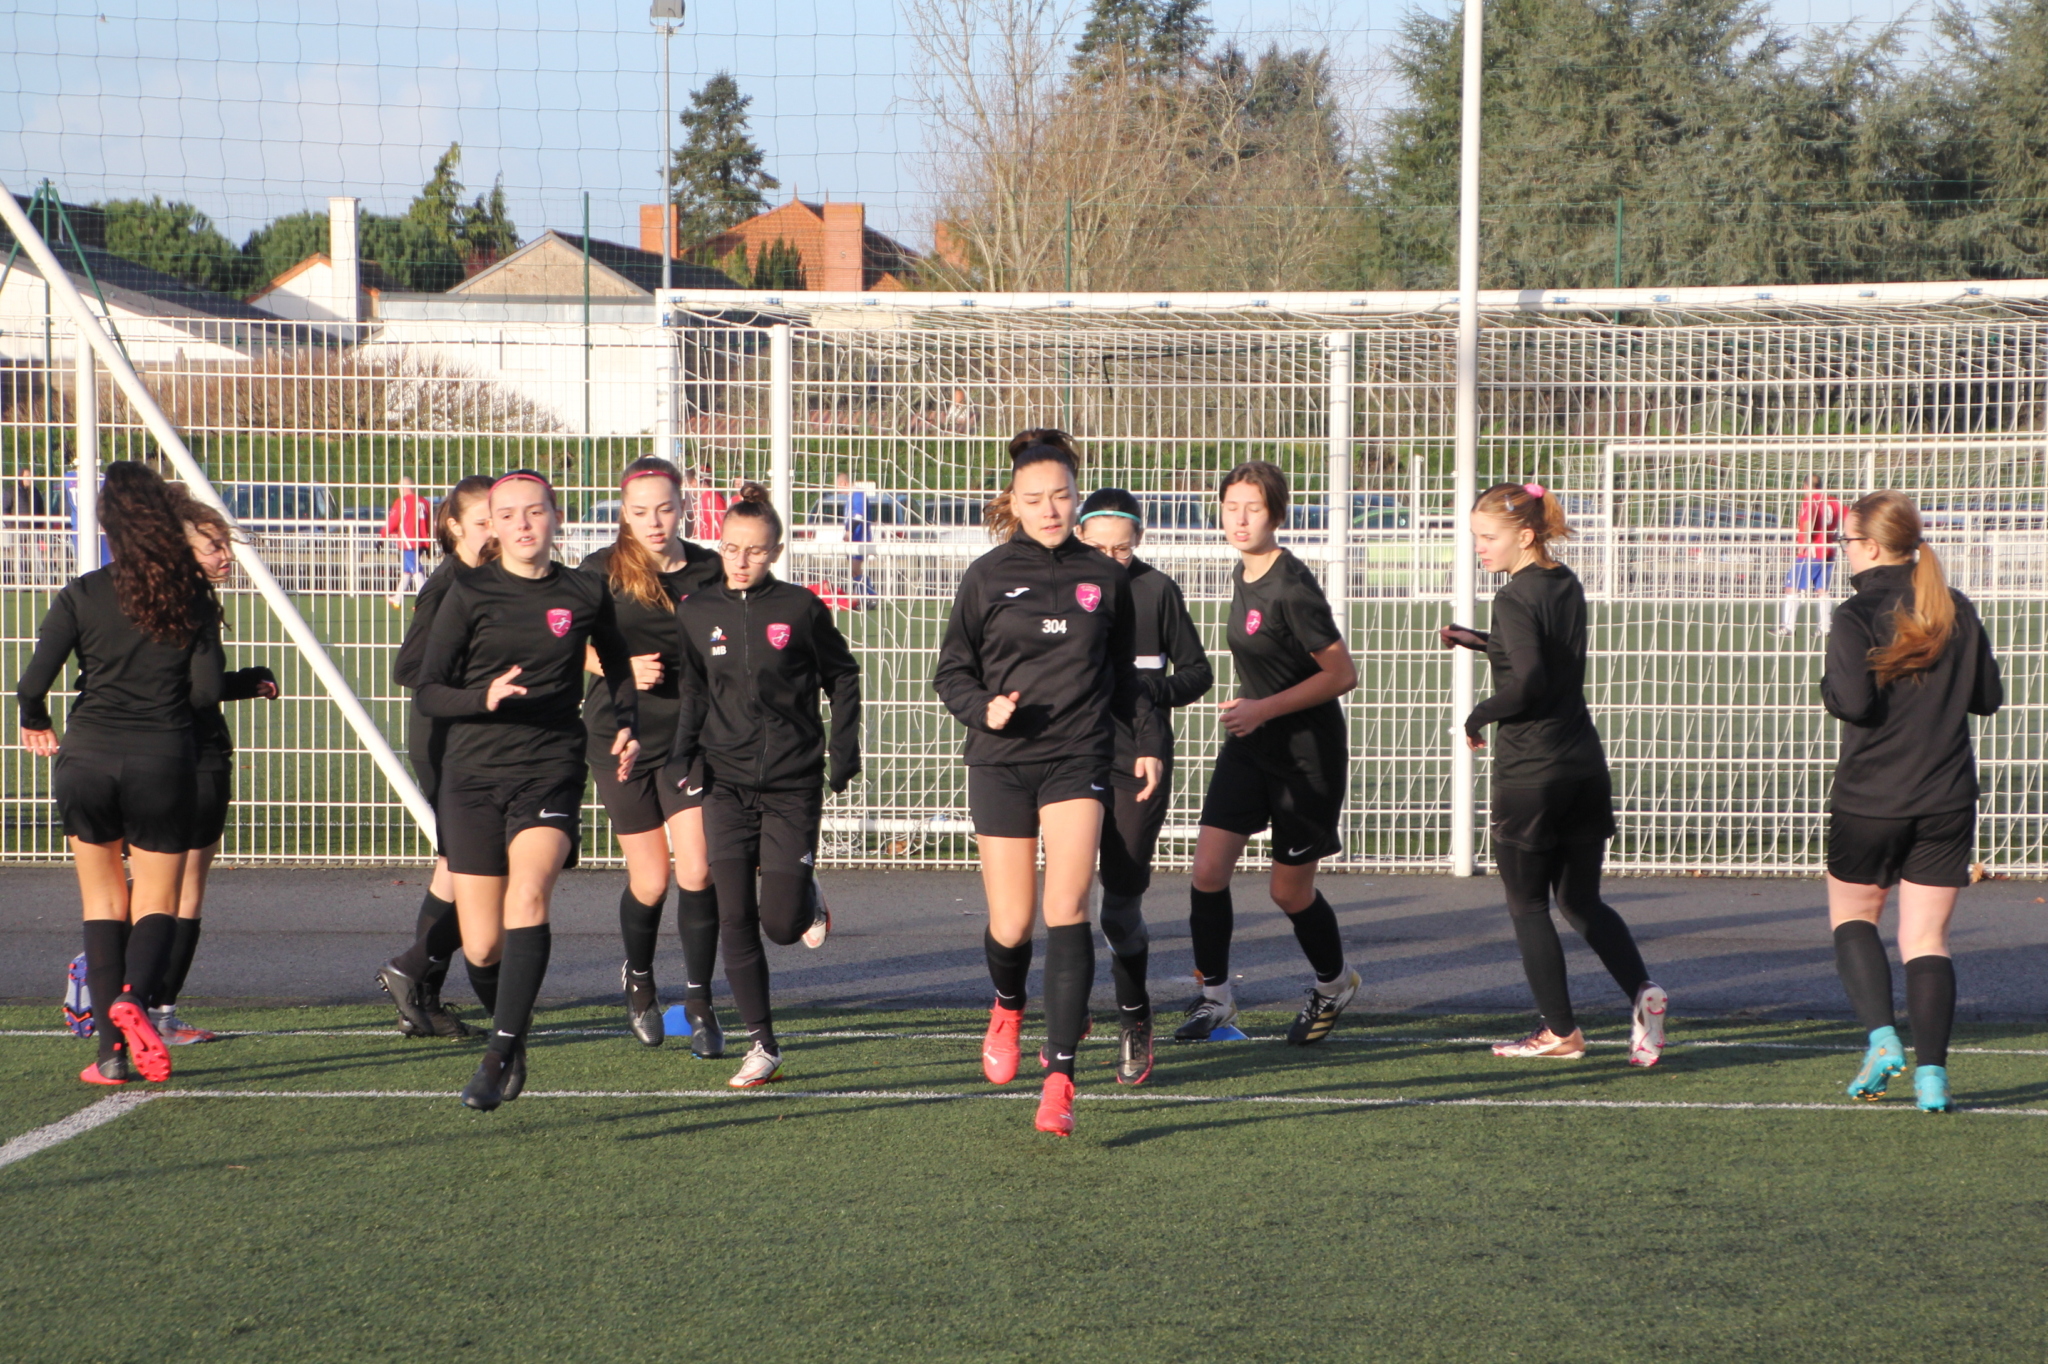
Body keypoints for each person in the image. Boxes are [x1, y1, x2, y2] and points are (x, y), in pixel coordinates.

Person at [934, 436, 1164, 1136]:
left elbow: (1131, 676)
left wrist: (1148, 743)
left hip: (1079, 758)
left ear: (1077, 493)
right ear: (1015, 503)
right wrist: (986, 710)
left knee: (1066, 909)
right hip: (1001, 761)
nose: (1050, 509)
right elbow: (952, 673)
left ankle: (1060, 1078)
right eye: (1034, 499)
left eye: (1062, 495)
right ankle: (1007, 1005)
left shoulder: (1107, 577)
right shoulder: (986, 575)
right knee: (1011, 922)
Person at [413, 470, 639, 1111]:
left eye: (533, 511)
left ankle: (497, 1049)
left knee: (530, 894)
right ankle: (514, 1033)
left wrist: (628, 723)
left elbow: (617, 662)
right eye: (507, 514)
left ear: (555, 516)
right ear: (493, 523)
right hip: (472, 774)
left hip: (550, 766)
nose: (521, 523)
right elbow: (427, 686)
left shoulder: (585, 589)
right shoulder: (469, 589)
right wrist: (481, 698)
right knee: (482, 943)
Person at [1442, 481, 1668, 1065]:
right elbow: (1541, 657)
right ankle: (1644, 991)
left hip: (1532, 773)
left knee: (1528, 905)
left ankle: (1560, 1032)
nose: (1480, 550)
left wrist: (1479, 712)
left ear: (1524, 535)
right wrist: (1479, 644)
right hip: (1583, 766)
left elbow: (1531, 681)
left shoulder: (1513, 597)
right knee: (1582, 901)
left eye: (1488, 539)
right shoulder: (1564, 581)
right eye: (1475, 538)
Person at [14, 460, 224, 1087]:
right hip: (163, 761)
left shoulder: (83, 592)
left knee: (103, 903)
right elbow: (206, 692)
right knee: (157, 898)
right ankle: (136, 995)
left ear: (106, 526)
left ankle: (109, 1052)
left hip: (87, 759)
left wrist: (36, 722)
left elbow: (30, 686)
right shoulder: (190, 596)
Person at [665, 483, 861, 1088]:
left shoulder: (801, 610)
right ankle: (764, 1044)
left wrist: (842, 749)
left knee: (778, 924)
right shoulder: (696, 611)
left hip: (791, 783)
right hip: (724, 783)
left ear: (774, 550)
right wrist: (685, 755)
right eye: (730, 548)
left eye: (753, 550)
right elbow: (695, 690)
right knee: (733, 915)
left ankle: (802, 892)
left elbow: (844, 675)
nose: (740, 560)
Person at [1821, 490, 2002, 1113]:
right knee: (1926, 939)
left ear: (1870, 547)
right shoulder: (1952, 607)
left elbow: (1854, 704)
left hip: (1870, 796)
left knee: (1854, 918)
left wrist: (1830, 679)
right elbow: (1988, 697)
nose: (1842, 550)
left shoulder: (1854, 613)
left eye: (1846, 540)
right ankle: (1933, 1077)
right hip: (1947, 796)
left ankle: (1879, 1038)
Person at [1179, 462, 1361, 1047]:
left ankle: (1334, 985)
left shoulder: (1292, 585)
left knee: (1288, 891)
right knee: (1207, 871)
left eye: (1252, 507)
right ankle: (1216, 1001)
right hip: (1251, 745)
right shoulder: (1244, 571)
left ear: (1276, 515)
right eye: (1231, 505)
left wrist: (1262, 708)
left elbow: (1341, 674)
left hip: (1305, 757)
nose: (1239, 518)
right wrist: (1251, 712)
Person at [579, 456, 728, 1056]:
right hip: (618, 739)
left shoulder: (710, 569)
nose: (654, 521)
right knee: (651, 878)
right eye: (640, 511)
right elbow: (559, 647)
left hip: (689, 739)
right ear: (624, 513)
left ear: (683, 504)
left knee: (697, 869)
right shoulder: (600, 572)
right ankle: (638, 981)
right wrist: (617, 668)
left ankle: (699, 1003)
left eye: (665, 508)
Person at [1074, 486, 1211, 1085]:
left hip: (1138, 763)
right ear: (1078, 537)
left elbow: (1197, 672)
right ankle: (1070, 1006)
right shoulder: (1063, 590)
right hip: (1071, 760)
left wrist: (1148, 697)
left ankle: (1135, 1018)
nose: (1111, 559)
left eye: (1123, 549)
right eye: (1099, 547)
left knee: (1120, 901)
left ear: (1139, 542)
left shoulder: (1157, 590)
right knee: (1068, 896)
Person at [151, 492, 281, 1046]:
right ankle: (157, 1011)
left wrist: (244, 682)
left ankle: (115, 981)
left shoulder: (138, 596)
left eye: (226, 544)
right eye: (213, 546)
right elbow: (199, 690)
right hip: (196, 755)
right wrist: (237, 683)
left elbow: (164, 684)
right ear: (182, 551)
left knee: (142, 888)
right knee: (184, 891)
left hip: (137, 754)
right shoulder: (195, 601)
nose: (226, 555)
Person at [377, 475, 497, 1040]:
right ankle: (413, 972)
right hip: (447, 741)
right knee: (478, 867)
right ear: (452, 527)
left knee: (456, 867)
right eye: (483, 522)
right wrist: (481, 685)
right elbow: (410, 669)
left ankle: (419, 994)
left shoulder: (494, 579)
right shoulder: (451, 584)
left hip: (474, 738)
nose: (498, 530)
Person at [1775, 474, 1843, 637]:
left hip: (1812, 551)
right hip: (1828, 550)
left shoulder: (1810, 500)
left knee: (1792, 586)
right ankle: (1825, 627)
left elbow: (1807, 522)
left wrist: (1804, 545)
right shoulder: (1833, 501)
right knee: (1822, 590)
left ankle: (1788, 627)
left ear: (1805, 486)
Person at [382, 475, 435, 607]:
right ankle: (397, 597)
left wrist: (383, 535)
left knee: (416, 569)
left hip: (409, 541)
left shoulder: (402, 502)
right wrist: (430, 542)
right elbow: (430, 523)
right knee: (407, 570)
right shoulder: (424, 502)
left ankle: (425, 600)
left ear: (403, 487)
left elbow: (393, 520)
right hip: (421, 540)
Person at [837, 471, 873, 607]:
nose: (838, 491)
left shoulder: (858, 494)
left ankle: (870, 597)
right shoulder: (852, 497)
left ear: (844, 484)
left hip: (860, 537)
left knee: (855, 568)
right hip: (854, 538)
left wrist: (849, 531)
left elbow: (858, 516)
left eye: (838, 488)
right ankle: (867, 597)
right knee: (854, 570)